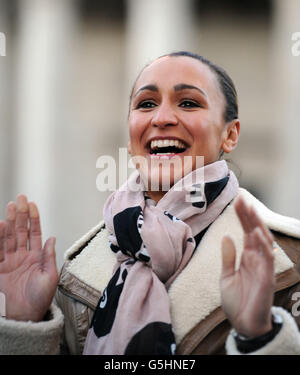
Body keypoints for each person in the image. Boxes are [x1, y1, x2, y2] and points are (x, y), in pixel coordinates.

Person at [1, 51, 300, 355]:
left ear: (230, 134)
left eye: (188, 103)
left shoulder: (290, 260)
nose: (162, 118)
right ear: (130, 139)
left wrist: (260, 337)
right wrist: (25, 325)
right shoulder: (76, 271)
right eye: (146, 104)